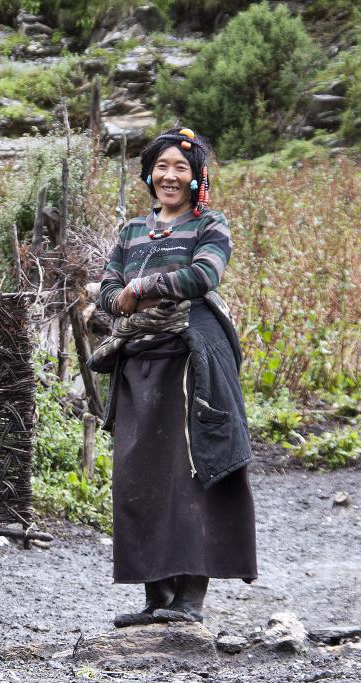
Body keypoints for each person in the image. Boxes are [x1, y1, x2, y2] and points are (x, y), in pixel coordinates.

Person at [96, 126, 257, 627]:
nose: (169, 176)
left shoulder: (211, 225)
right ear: (149, 174)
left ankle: (190, 601)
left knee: (193, 473)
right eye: (161, 167)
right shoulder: (131, 232)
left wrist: (143, 285)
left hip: (194, 364)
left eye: (181, 168)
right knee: (139, 476)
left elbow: (204, 276)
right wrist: (132, 294)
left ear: (196, 178)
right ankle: (155, 598)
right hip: (139, 367)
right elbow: (106, 293)